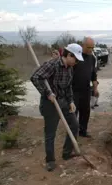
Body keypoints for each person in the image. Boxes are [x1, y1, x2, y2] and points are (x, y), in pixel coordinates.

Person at [30, 43, 84, 171]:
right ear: (69, 55)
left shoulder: (70, 68)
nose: (76, 62)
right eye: (75, 59)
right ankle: (50, 160)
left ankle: (67, 153)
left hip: (63, 101)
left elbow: (68, 87)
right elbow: (35, 77)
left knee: (74, 125)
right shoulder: (52, 64)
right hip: (50, 103)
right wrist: (47, 93)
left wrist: (71, 101)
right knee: (50, 133)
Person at [72, 37, 99, 138]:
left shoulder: (92, 58)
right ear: (83, 45)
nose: (91, 49)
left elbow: (94, 75)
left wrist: (95, 89)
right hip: (74, 90)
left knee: (85, 111)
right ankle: (72, 134)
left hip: (86, 90)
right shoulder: (76, 57)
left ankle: (83, 131)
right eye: (89, 47)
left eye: (92, 47)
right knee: (73, 112)